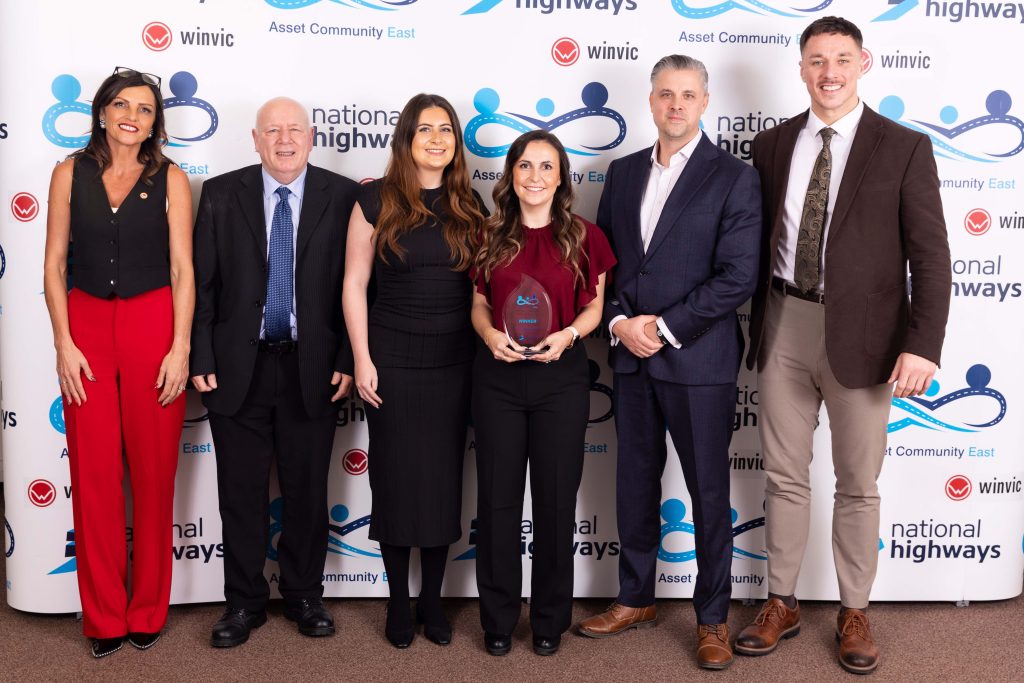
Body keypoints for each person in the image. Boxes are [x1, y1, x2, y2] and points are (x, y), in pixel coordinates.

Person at [735, 17, 951, 675]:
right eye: (816, 60)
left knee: (858, 481)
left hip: (870, 338)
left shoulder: (904, 147)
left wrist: (924, 343)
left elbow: (932, 255)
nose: (828, 72)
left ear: (865, 63)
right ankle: (782, 601)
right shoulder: (771, 145)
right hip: (784, 324)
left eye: (841, 59)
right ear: (800, 68)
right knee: (783, 476)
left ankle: (855, 609)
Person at [577, 55, 761, 671]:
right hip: (631, 355)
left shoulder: (734, 176)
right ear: (650, 101)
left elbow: (738, 276)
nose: (675, 105)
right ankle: (635, 598)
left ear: (705, 102)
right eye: (664, 95)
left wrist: (665, 326)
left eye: (687, 95)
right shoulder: (622, 172)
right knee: (633, 483)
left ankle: (712, 619)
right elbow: (608, 266)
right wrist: (622, 322)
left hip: (698, 360)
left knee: (710, 491)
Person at [190, 96, 359, 647]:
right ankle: (242, 603)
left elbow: (357, 289)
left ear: (312, 137)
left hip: (313, 369)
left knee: (308, 491)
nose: (284, 140)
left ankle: (305, 595)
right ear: (255, 138)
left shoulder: (344, 197)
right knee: (239, 494)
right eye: (272, 131)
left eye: (294, 130)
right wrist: (201, 356)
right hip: (238, 368)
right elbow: (202, 285)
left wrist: (346, 359)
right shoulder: (220, 194)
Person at [42, 67, 194, 658]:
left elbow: (183, 271)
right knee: (96, 476)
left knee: (155, 475)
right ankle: (104, 616)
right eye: (122, 104)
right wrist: (64, 343)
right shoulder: (66, 174)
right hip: (85, 331)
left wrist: (179, 348)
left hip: (153, 324)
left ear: (157, 122)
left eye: (147, 108)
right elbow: (54, 265)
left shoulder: (172, 179)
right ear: (102, 110)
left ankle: (147, 610)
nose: (134, 115)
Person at [343, 93, 486, 649]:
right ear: (406, 139)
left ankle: (433, 600)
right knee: (398, 482)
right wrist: (362, 359)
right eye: (424, 129)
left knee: (443, 483)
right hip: (392, 360)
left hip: (455, 363)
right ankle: (399, 602)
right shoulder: (373, 200)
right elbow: (354, 284)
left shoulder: (470, 203)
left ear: (455, 142)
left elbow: (482, 289)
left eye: (445, 129)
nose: (435, 138)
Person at [471, 130, 615, 657]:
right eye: (525, 166)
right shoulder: (488, 235)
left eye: (546, 166)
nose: (535, 176)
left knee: (554, 504)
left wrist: (569, 335)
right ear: (511, 175)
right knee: (498, 502)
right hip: (497, 379)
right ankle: (498, 619)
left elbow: (595, 308)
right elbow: (479, 304)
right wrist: (488, 336)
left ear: (561, 177)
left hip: (562, 379)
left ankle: (551, 618)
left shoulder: (585, 237)